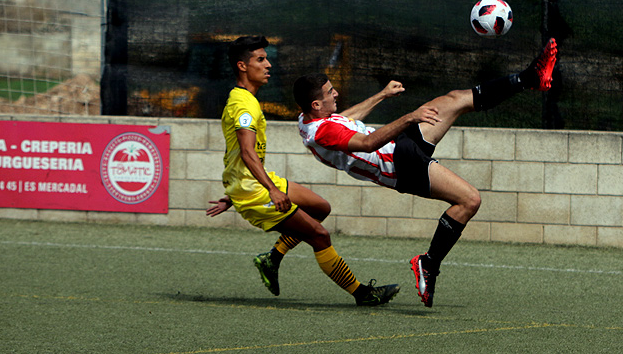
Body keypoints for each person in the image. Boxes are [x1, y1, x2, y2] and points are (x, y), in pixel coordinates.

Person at [292, 38, 558, 308]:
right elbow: (368, 143)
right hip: (398, 164)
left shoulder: (307, 118)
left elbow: (343, 119)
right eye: (330, 91)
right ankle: (428, 264)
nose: (335, 93)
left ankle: (529, 77)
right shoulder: (323, 131)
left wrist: (381, 95)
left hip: (398, 146)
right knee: (469, 200)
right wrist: (410, 116)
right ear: (316, 104)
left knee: (455, 99)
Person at [206, 35, 400, 306]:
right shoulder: (243, 105)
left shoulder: (245, 100)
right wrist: (268, 190)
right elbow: (247, 152)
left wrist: (234, 191)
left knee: (320, 208)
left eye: (267, 57)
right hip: (255, 189)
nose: (268, 64)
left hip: (249, 184)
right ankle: (362, 294)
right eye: (260, 59)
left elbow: (239, 154)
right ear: (242, 66)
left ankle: (271, 258)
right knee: (319, 235)